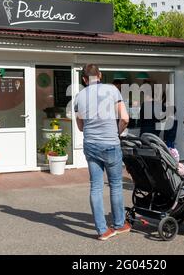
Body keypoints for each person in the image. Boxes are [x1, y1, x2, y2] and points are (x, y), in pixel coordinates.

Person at [74, 63, 131, 240]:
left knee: (96, 186)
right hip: (110, 144)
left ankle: (102, 230)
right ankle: (119, 224)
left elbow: (81, 127)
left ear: (84, 79)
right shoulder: (112, 90)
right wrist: (116, 132)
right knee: (115, 185)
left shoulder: (79, 96)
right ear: (100, 75)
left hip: (91, 144)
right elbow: (125, 118)